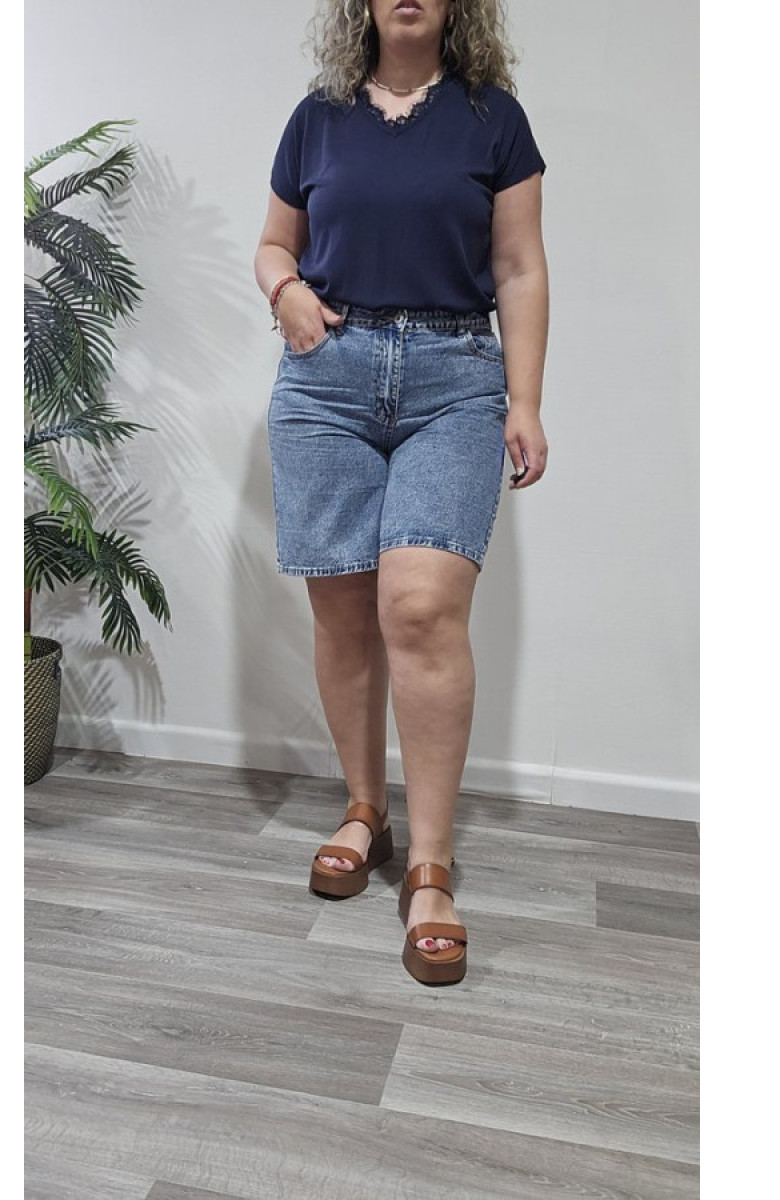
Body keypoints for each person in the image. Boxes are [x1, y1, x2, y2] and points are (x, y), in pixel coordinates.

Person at [253, 0, 549, 985]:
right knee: (342, 612)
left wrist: (524, 400)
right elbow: (273, 245)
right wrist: (287, 293)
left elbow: (519, 266)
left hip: (454, 381)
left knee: (418, 609)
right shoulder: (317, 116)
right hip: (324, 384)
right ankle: (362, 809)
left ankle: (429, 866)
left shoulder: (492, 118)